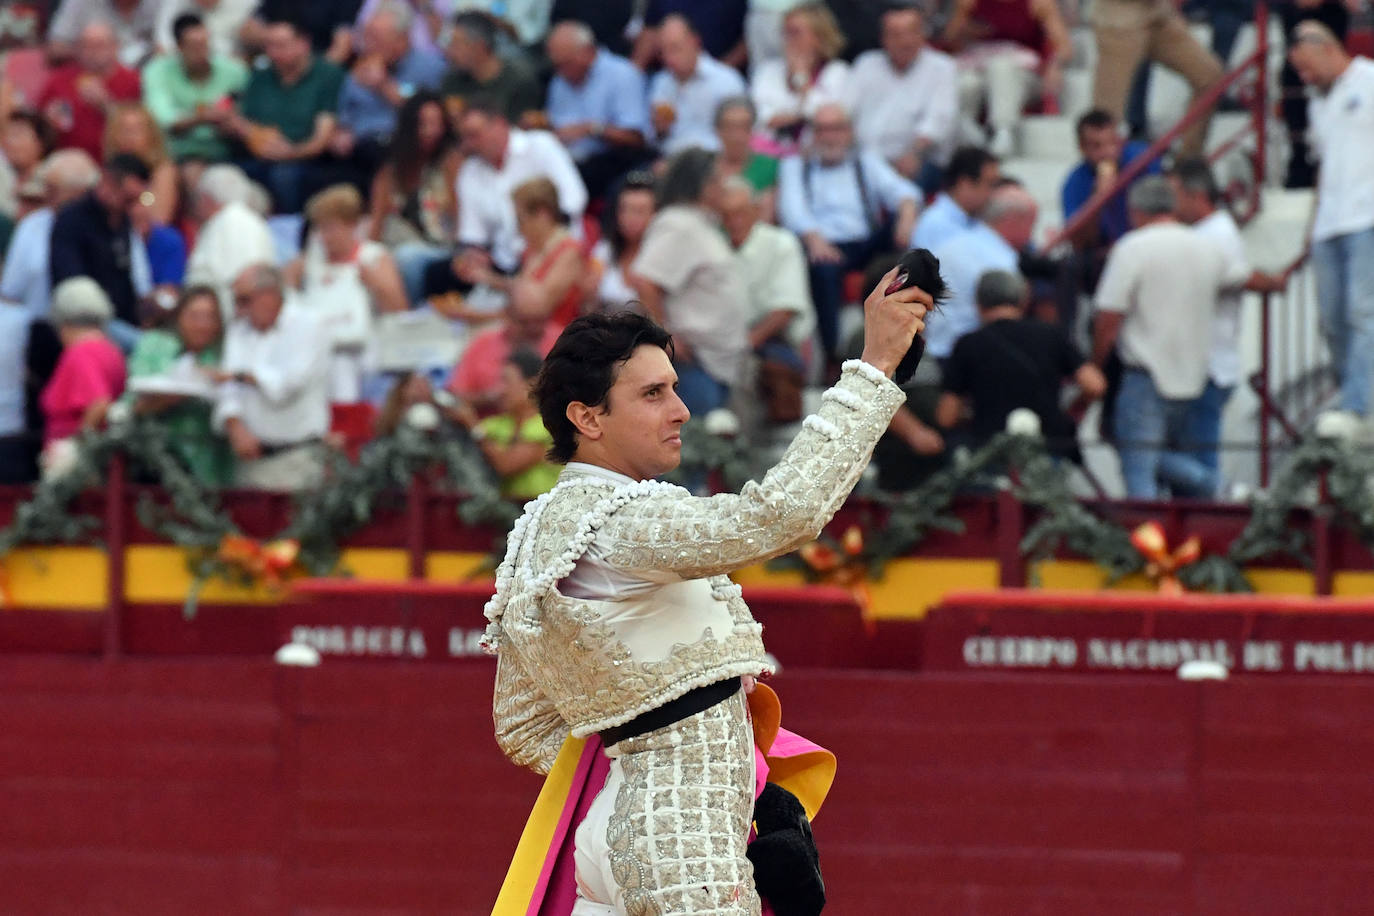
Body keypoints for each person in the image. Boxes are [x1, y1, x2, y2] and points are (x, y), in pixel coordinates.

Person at [481, 271, 931, 913]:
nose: (681, 410)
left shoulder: (544, 531)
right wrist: (878, 365)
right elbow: (781, 513)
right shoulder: (618, 522)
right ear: (587, 417)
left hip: (616, 832)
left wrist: (649, 760)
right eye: (653, 394)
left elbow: (523, 724)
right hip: (681, 846)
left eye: (676, 388)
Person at [1091, 176, 1248, 500]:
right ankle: (1218, 491)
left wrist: (1096, 364)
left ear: (1135, 211)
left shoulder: (1132, 248)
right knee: (1161, 461)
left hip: (1145, 374)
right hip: (1195, 375)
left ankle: (1150, 541)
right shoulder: (1208, 249)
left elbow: (1109, 316)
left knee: (1138, 468)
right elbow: (1238, 279)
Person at [777, 102, 920, 365]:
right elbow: (792, 210)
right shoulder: (796, 165)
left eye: (837, 129)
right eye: (822, 130)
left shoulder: (865, 161)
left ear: (849, 131)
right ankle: (833, 354)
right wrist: (814, 238)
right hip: (824, 245)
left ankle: (906, 343)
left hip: (865, 244)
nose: (830, 137)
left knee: (904, 249)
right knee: (823, 270)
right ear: (813, 133)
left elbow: (903, 191)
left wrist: (906, 213)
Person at [1289, 20, 1374, 422]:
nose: (1304, 77)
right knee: (1332, 319)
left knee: (1362, 311)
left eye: (1307, 67)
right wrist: (1311, 227)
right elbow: (1324, 167)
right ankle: (1351, 394)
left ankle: (1357, 405)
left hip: (1367, 216)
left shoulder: (1369, 80)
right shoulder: (1317, 100)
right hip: (1330, 222)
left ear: (1327, 48)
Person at [629, 148, 748, 416]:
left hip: (716, 364)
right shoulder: (678, 223)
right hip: (694, 364)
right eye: (717, 180)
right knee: (696, 449)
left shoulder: (702, 224)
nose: (723, 186)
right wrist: (665, 334)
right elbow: (646, 280)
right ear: (702, 184)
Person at [937, 269, 1106, 459]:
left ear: (978, 304)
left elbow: (946, 416)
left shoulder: (968, 345)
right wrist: (1070, 411)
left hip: (991, 453)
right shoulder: (1049, 335)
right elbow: (1094, 385)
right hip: (1048, 446)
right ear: (1023, 300)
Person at [212, 263, 333, 491]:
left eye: (244, 300)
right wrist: (235, 425)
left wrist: (240, 376)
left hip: (297, 459)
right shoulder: (239, 330)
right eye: (235, 300)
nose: (239, 309)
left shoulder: (310, 325)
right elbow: (227, 389)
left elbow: (288, 385)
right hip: (249, 460)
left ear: (270, 296)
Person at [441, 100, 587, 286]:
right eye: (465, 137)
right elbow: (473, 235)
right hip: (503, 265)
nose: (469, 144)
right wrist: (474, 257)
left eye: (475, 135)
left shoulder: (541, 145)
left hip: (553, 255)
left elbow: (573, 199)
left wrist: (540, 245)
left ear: (500, 124)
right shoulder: (469, 170)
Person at [287, 184, 408, 403]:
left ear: (351, 225)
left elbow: (400, 311)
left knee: (341, 365)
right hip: (318, 347)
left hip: (363, 348)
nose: (325, 237)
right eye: (320, 229)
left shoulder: (374, 258)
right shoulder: (306, 264)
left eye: (331, 228)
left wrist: (376, 285)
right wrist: (292, 281)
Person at [720, 176, 817, 418]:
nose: (733, 221)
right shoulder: (715, 245)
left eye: (740, 212)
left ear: (755, 210)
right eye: (727, 214)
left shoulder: (781, 243)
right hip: (728, 339)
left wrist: (745, 344)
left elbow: (785, 309)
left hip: (779, 340)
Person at [229, 17, 347, 214]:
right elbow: (242, 119)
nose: (273, 53)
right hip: (258, 154)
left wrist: (290, 152)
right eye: (269, 46)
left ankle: (290, 230)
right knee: (227, 172)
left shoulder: (328, 75)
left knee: (284, 176)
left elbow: (321, 139)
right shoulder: (261, 76)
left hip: (306, 159)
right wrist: (246, 131)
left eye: (281, 46)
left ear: (303, 44)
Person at [125, 284, 234, 486]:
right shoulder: (154, 345)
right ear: (179, 317)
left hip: (210, 463)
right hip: (154, 456)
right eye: (195, 316)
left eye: (210, 317)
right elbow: (133, 401)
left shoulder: (227, 354)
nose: (202, 325)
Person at [845, 2, 957, 192]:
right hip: (865, 158)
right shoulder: (866, 64)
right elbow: (845, 110)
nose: (905, 41)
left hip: (917, 159)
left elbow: (939, 120)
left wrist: (914, 154)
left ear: (923, 34)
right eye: (896, 35)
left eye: (912, 32)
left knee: (904, 182)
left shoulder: (942, 67)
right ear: (883, 39)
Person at [335, 0, 447, 187]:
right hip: (357, 151)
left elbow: (427, 114)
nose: (368, 45)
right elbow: (345, 114)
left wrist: (384, 86)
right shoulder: (360, 69)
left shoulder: (431, 67)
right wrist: (340, 133)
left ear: (402, 39)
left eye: (376, 39)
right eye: (365, 37)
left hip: (402, 148)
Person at [941, 0, 1073, 157]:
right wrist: (965, 29)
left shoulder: (1038, 3)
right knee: (968, 81)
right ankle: (967, 127)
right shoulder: (968, 3)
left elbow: (1064, 46)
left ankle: (1003, 131)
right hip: (980, 67)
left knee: (1001, 67)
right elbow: (949, 41)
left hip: (1022, 74)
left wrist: (1055, 65)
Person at [49, 153, 153, 351]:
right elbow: (71, 283)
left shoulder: (123, 221)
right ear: (107, 182)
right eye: (128, 199)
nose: (133, 207)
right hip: (85, 323)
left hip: (123, 321)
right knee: (146, 348)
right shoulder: (72, 220)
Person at [1091, 0, 1222, 157]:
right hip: (1119, 19)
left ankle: (1187, 163)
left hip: (1158, 13)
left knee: (1210, 76)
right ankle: (1100, 175)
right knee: (1104, 117)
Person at [367, 90, 461, 305]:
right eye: (423, 124)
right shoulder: (390, 173)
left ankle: (412, 312)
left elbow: (460, 215)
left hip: (440, 246)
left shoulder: (451, 163)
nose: (431, 131)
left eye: (437, 123)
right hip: (395, 246)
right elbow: (376, 224)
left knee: (408, 258)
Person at [927, 181, 1038, 361]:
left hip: (936, 350)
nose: (1031, 236)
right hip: (975, 357)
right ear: (1012, 220)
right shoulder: (1001, 261)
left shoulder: (949, 245)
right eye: (1031, 225)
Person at [544, 20, 651, 199]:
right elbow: (556, 126)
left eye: (565, 64)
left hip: (608, 163)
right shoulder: (559, 81)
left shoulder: (623, 75)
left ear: (587, 52)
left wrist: (592, 129)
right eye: (556, 65)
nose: (560, 72)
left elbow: (637, 139)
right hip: (564, 162)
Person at [462, 177, 588, 327]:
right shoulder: (533, 250)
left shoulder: (569, 252)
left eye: (521, 220)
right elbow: (521, 298)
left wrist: (490, 284)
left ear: (543, 214)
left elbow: (538, 307)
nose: (519, 229)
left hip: (555, 338)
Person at [39, 277, 127, 478]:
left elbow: (99, 403)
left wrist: (76, 448)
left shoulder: (81, 352)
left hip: (77, 468)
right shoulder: (111, 349)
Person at [0, 149, 100, 320]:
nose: (46, 194)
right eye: (46, 187)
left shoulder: (104, 224)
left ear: (81, 192)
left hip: (92, 326)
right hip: (37, 328)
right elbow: (10, 293)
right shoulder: (31, 225)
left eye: (54, 189)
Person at [142, 11, 250, 166]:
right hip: (181, 154)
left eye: (205, 44)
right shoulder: (157, 71)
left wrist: (233, 120)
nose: (202, 52)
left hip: (232, 149)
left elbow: (251, 113)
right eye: (194, 46)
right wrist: (201, 117)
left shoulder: (235, 71)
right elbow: (163, 119)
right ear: (179, 47)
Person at [452, 347, 560, 499]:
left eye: (506, 381)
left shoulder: (547, 424)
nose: (500, 390)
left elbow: (507, 465)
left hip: (541, 510)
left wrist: (473, 426)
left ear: (532, 384)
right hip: (508, 512)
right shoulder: (500, 423)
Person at [749, 3, 851, 151]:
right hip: (768, 155)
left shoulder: (838, 72)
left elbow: (825, 120)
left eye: (795, 32)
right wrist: (802, 114)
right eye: (785, 32)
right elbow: (762, 121)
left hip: (817, 156)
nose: (788, 40)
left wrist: (800, 78)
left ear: (819, 37)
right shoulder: (767, 71)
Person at [446, 280, 562, 410]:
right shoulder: (483, 344)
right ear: (507, 314)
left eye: (539, 320)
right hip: (488, 424)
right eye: (524, 321)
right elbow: (454, 396)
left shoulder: (562, 342)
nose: (533, 328)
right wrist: (486, 399)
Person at [183, 164, 277, 320]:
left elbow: (243, 280)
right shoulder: (239, 221)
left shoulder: (233, 223)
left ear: (206, 198)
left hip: (229, 321)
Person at [1061, 108, 1164, 251]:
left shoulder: (1142, 159)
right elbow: (1079, 242)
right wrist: (1097, 199)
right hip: (1104, 254)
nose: (1108, 152)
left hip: (1148, 244)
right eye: (1097, 146)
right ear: (1082, 148)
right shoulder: (1075, 182)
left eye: (1113, 143)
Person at [38, 22, 143, 161]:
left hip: (118, 163)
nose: (92, 52)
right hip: (67, 163)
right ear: (76, 49)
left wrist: (106, 105)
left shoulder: (133, 81)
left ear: (115, 47)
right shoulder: (58, 81)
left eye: (99, 45)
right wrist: (48, 122)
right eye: (85, 46)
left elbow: (144, 132)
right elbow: (38, 128)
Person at [647, 14, 747, 155]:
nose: (668, 58)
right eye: (662, 52)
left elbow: (740, 135)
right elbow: (654, 140)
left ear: (695, 41)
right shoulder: (661, 82)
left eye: (675, 48)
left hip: (712, 161)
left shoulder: (727, 81)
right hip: (667, 159)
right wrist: (660, 130)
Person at [440, 11, 543, 125]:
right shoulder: (452, 82)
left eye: (456, 45)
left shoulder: (519, 82)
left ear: (479, 47)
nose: (449, 52)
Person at [587, 171, 655, 313]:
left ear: (655, 215)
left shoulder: (662, 256)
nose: (630, 218)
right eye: (625, 210)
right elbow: (587, 303)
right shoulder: (604, 250)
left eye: (639, 211)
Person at [103, 103, 180, 227]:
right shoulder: (108, 172)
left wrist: (139, 193)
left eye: (137, 130)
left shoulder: (163, 170)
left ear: (151, 135)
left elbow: (160, 218)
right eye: (124, 130)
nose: (130, 136)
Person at [911, 145, 1000, 250]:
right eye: (991, 184)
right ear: (965, 183)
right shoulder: (936, 225)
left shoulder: (977, 219)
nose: (995, 193)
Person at [713, 96, 778, 222]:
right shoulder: (705, 167)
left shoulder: (770, 166)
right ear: (718, 130)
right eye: (729, 127)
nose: (737, 136)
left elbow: (767, 217)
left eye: (744, 127)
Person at [47, 0, 161, 68]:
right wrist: (92, 50)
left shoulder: (160, 3)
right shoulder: (81, 2)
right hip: (92, 76)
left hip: (148, 75)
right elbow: (56, 48)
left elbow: (171, 47)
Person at [155, 0, 258, 59]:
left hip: (232, 69)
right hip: (184, 69)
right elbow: (162, 48)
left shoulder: (248, 4)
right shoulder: (175, 3)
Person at [0, 111, 53, 218]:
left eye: (17, 135)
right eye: (7, 135)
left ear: (41, 143)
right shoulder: (3, 174)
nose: (8, 142)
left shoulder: (50, 182)